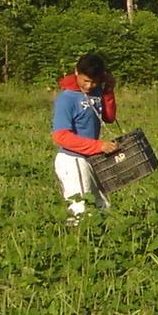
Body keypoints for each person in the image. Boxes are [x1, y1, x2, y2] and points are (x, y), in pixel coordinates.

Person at [51, 52, 118, 219]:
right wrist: (99, 146)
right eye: (85, 80)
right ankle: (76, 240)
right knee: (80, 208)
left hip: (91, 158)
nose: (89, 85)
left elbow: (109, 118)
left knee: (103, 206)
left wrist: (108, 91)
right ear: (76, 72)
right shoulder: (66, 99)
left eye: (94, 81)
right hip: (72, 159)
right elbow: (61, 136)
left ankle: (100, 241)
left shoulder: (96, 91)